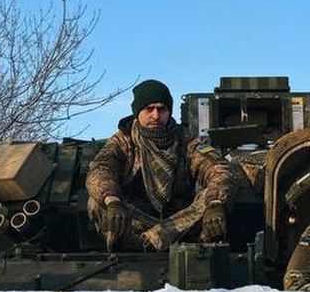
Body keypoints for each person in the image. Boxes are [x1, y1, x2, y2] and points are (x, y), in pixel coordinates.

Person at [86, 79, 239, 251]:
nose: (156, 116)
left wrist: (216, 203)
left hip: (179, 222)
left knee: (213, 198)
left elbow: (219, 168)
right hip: (135, 220)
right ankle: (138, 243)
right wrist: (112, 200)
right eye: (149, 109)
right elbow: (100, 169)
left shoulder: (188, 140)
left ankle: (151, 241)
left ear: (169, 111)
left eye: (162, 109)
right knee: (97, 201)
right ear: (137, 112)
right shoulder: (123, 140)